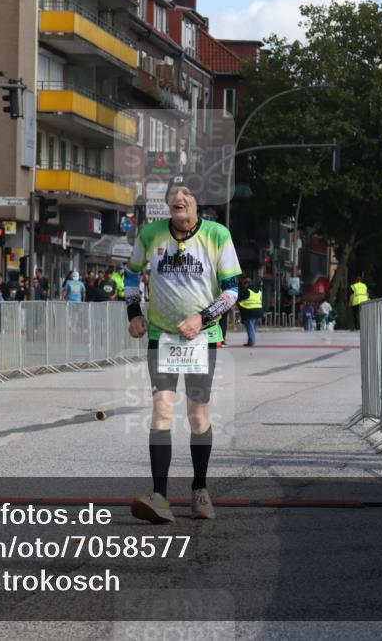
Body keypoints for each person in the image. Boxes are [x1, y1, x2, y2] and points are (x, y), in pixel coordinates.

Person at [125, 182, 242, 524]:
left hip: (202, 337)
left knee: (197, 413)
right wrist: (133, 313)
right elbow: (131, 274)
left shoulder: (218, 235)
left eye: (187, 194)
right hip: (162, 337)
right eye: (173, 196)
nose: (179, 199)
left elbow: (233, 289)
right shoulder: (151, 234)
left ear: (197, 204)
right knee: (162, 408)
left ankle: (199, 491)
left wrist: (201, 318)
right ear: (168, 206)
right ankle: (160, 496)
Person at [237, 277, 264, 346]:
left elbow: (238, 299)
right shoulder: (258, 291)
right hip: (259, 311)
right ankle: (250, 341)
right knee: (253, 328)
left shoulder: (246, 291)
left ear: (245, 284)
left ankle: (252, 342)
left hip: (250, 312)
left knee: (250, 328)